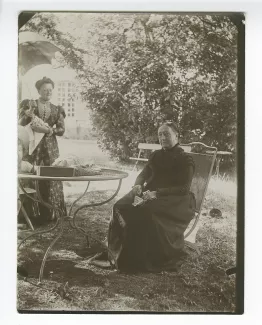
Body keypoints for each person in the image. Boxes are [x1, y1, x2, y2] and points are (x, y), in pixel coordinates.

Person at [96, 122, 196, 272]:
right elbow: (144, 174)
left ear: (177, 135)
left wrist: (157, 193)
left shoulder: (185, 159)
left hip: (176, 200)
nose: (162, 137)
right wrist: (138, 184)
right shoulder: (156, 155)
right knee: (120, 206)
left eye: (166, 134)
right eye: (160, 134)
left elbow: (183, 188)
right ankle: (116, 251)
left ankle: (139, 258)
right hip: (150, 194)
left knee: (143, 211)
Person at [19, 77, 66, 222]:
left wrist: (49, 130)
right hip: (33, 146)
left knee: (50, 174)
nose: (48, 92)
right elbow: (20, 124)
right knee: (33, 174)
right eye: (44, 90)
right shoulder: (30, 105)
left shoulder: (56, 109)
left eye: (50, 90)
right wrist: (26, 116)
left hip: (50, 148)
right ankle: (32, 215)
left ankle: (51, 213)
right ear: (38, 90)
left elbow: (62, 129)